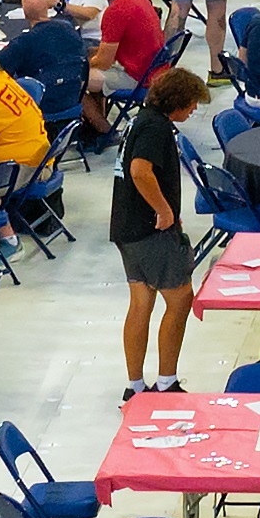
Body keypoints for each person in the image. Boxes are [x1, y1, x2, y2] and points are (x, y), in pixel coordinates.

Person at [111, 64, 206, 395]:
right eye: (192, 103)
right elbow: (140, 171)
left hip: (126, 227)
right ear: (177, 100)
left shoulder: (141, 119)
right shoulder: (156, 129)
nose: (194, 109)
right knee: (180, 298)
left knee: (141, 301)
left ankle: (135, 386)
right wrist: (164, 210)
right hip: (150, 230)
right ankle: (167, 382)